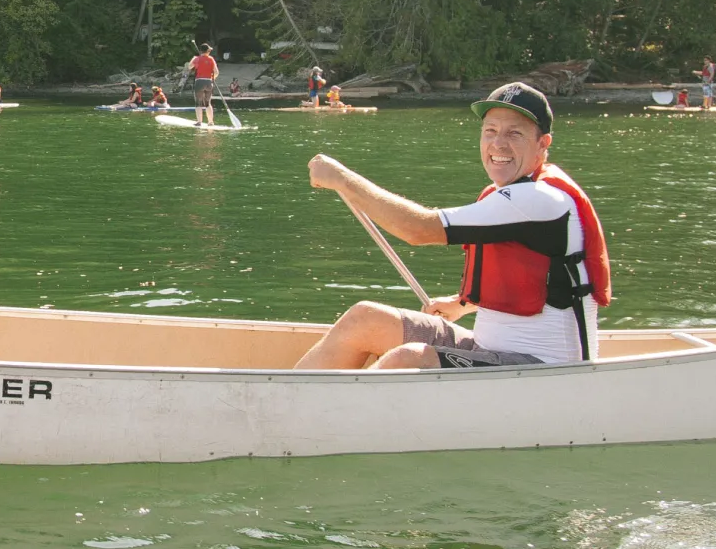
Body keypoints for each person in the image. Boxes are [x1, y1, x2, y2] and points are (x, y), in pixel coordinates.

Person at [293, 82, 611, 370]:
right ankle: (294, 406)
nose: (498, 144)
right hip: (486, 348)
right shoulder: (510, 195)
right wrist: (461, 304)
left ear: (543, 143)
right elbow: (526, 272)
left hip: (542, 368)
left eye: (514, 134)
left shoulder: (539, 198)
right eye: (490, 131)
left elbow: (418, 229)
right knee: (365, 318)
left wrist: (342, 179)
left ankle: (311, 422)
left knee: (409, 360)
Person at [188, 43, 219, 127]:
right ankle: (210, 122)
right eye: (209, 50)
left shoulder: (197, 59)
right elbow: (216, 72)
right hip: (209, 82)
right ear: (207, 51)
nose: (209, 51)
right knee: (207, 103)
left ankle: (199, 122)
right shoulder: (211, 59)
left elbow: (190, 67)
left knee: (198, 102)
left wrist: (193, 58)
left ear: (201, 51)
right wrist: (212, 80)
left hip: (199, 82)